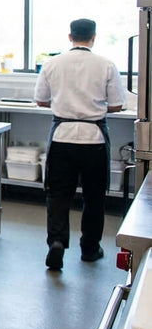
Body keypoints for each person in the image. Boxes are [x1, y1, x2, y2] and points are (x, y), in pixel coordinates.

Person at [34, 18, 125, 270]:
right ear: (93, 37)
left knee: (58, 194)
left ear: (70, 36)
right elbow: (117, 105)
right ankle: (90, 248)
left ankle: (57, 243)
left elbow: (40, 100)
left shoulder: (52, 63)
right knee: (94, 196)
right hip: (94, 138)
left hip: (62, 136)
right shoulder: (106, 64)